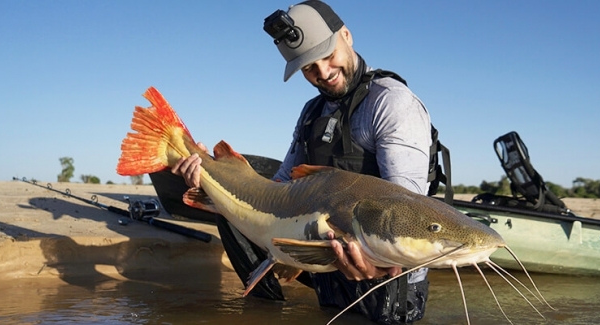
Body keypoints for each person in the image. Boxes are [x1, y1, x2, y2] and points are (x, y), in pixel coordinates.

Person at [173, 1, 433, 323]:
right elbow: (280, 185)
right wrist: (214, 175)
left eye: (327, 55)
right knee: (242, 180)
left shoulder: (391, 103)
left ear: (347, 36)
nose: (323, 73)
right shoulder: (312, 112)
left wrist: (379, 262)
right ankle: (266, 307)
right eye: (309, 67)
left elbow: (405, 207)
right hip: (327, 266)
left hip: (388, 281)